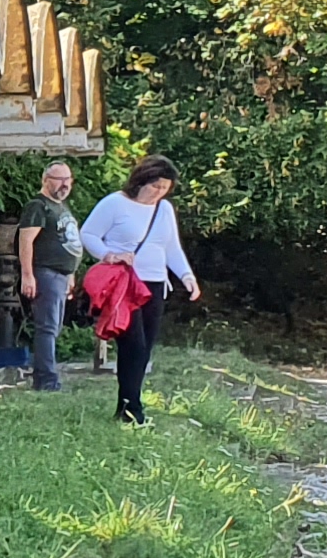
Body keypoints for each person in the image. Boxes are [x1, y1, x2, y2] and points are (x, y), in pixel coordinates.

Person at [78, 156, 203, 424]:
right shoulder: (114, 203)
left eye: (164, 188)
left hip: (155, 283)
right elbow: (88, 234)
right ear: (141, 181)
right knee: (133, 343)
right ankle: (132, 407)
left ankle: (127, 403)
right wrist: (109, 255)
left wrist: (186, 276)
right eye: (155, 186)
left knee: (145, 347)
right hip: (125, 284)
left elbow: (171, 247)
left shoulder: (164, 209)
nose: (159, 193)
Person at [14, 160, 82, 391]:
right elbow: (26, 241)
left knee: (54, 327)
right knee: (47, 327)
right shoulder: (38, 206)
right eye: (59, 179)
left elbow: (68, 242)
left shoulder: (61, 207)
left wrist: (70, 274)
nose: (65, 184)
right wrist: (27, 275)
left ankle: (46, 376)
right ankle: (46, 380)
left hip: (61, 275)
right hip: (45, 273)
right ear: (45, 180)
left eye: (68, 179)